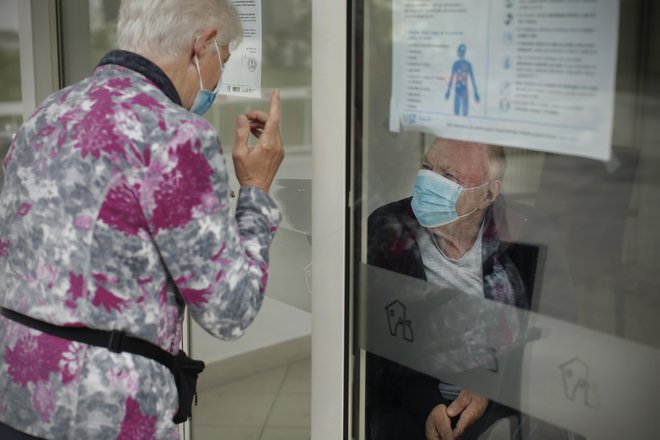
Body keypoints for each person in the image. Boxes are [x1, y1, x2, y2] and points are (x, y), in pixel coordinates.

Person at [0, 0, 284, 438]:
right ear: (203, 44)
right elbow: (231, 310)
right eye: (222, 62)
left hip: (15, 393)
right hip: (103, 415)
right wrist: (256, 193)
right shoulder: (176, 136)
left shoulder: (48, 113)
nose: (217, 79)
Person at [366, 137, 575, 440]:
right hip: (409, 400)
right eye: (426, 167)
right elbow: (376, 343)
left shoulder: (525, 233)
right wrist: (427, 405)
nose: (429, 181)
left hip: (501, 398)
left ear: (489, 193)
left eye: (449, 176)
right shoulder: (389, 229)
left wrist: (491, 384)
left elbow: (558, 332)